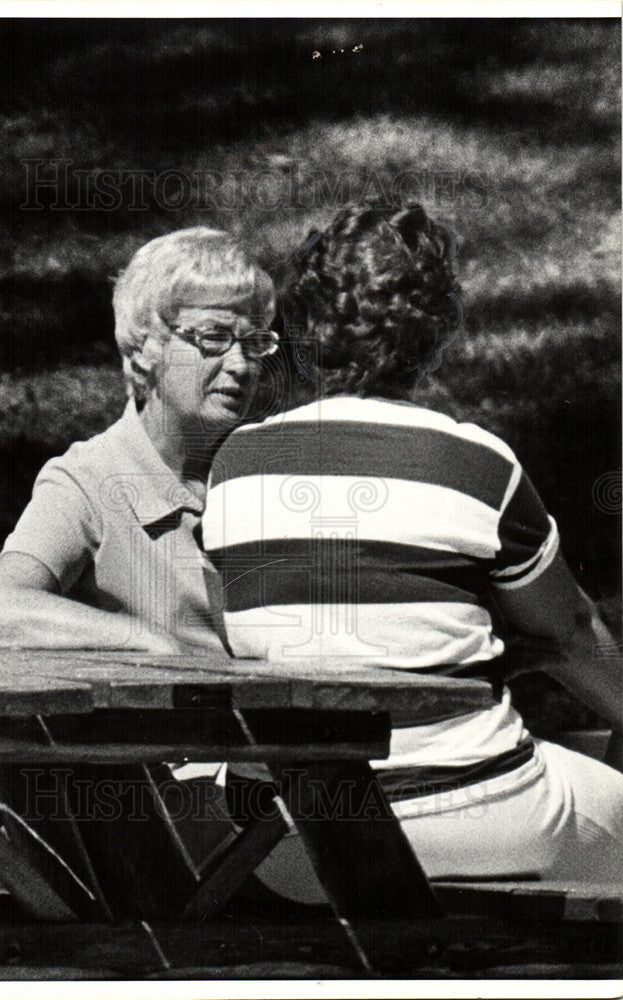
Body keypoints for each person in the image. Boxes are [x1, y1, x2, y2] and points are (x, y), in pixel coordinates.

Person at [202, 202, 623, 885]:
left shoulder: (233, 465)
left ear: (306, 324)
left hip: (279, 843)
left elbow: (258, 636)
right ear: (434, 328)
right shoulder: (474, 463)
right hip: (467, 813)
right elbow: (567, 628)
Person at [0, 227, 278, 653]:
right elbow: (4, 610)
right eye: (214, 338)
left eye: (254, 344)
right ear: (145, 347)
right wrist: (144, 638)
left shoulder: (270, 464)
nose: (240, 365)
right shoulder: (91, 475)